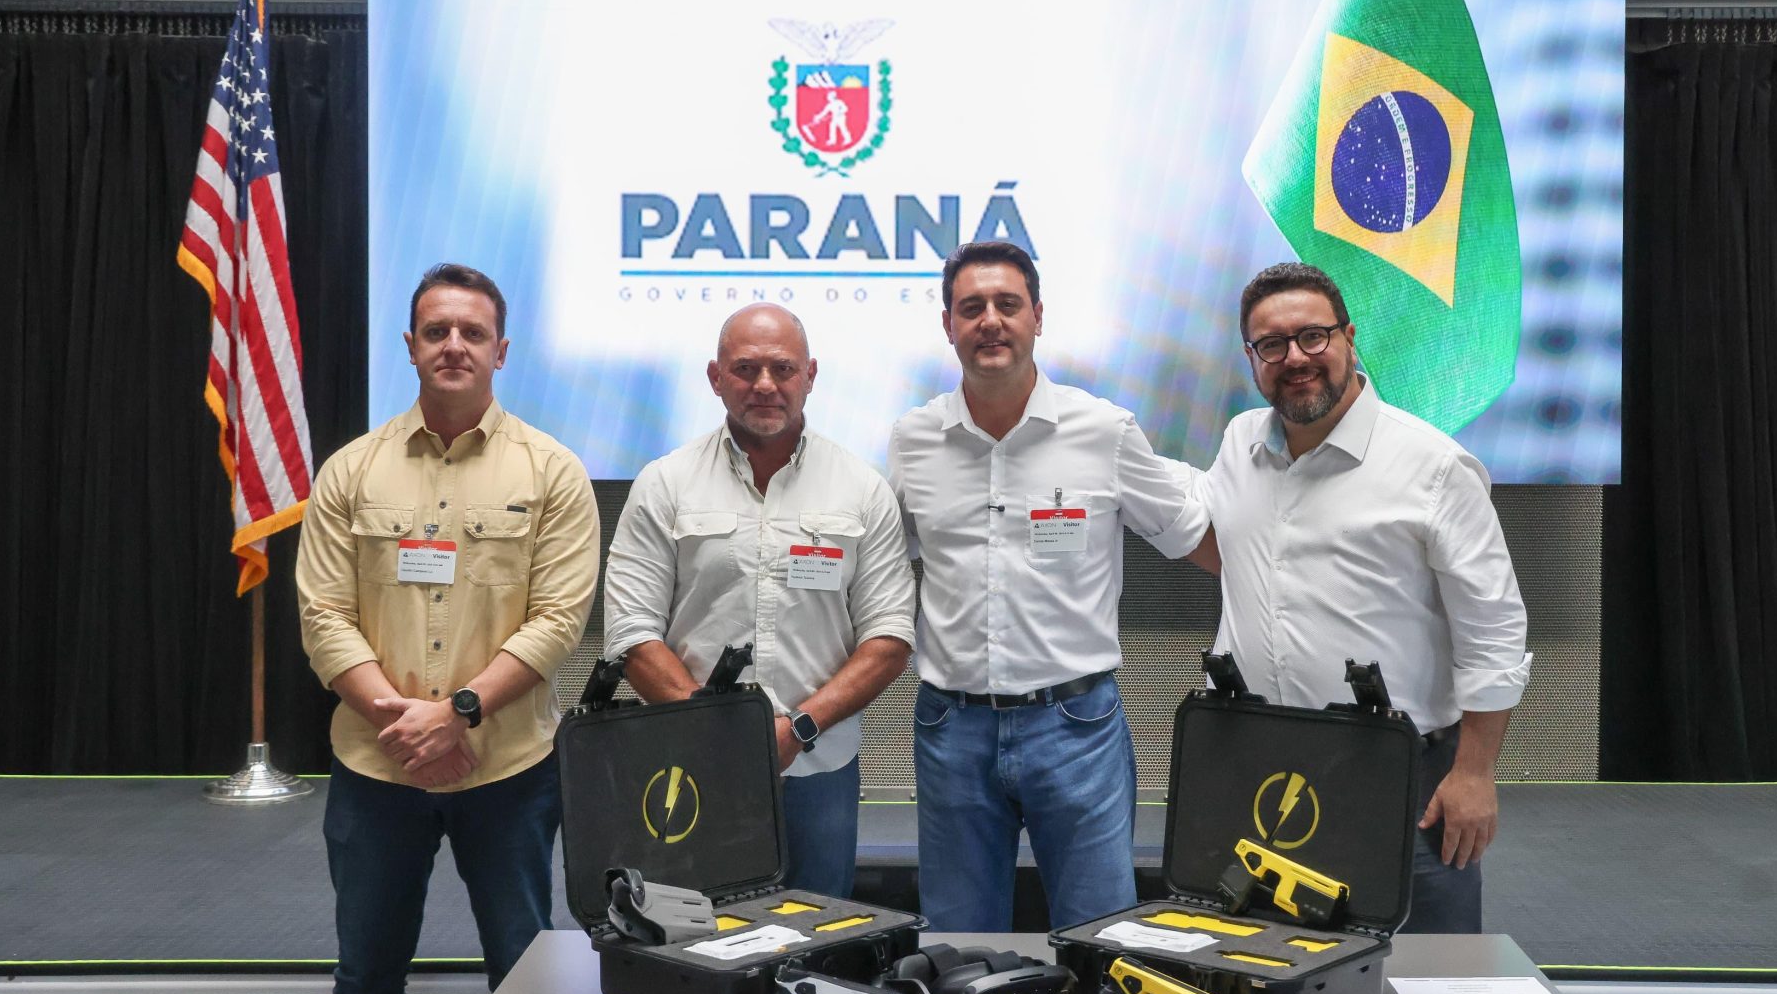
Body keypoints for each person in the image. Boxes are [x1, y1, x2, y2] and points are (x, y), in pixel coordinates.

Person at [296, 263, 600, 994]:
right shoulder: (351, 470)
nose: (454, 345)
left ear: (502, 350)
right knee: (366, 976)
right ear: (410, 345)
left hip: (508, 770)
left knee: (525, 975)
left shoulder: (553, 471)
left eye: (472, 332)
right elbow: (323, 617)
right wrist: (406, 726)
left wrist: (458, 712)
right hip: (378, 767)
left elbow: (558, 620)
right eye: (437, 331)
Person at [1187, 261, 1531, 933]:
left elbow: (1493, 629)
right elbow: (1219, 540)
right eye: (1272, 345)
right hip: (1264, 774)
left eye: (1312, 336)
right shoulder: (1238, 444)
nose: (1295, 358)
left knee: (1428, 977)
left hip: (1403, 781)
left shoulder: (1434, 467)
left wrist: (1474, 773)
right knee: (1276, 966)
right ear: (1251, 358)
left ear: (1348, 337)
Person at [888, 241, 1209, 931]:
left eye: (1008, 304)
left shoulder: (1105, 431)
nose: (990, 321)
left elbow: (1192, 537)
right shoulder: (913, 440)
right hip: (952, 729)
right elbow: (883, 565)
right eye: (971, 307)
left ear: (1038, 316)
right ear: (948, 324)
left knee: (1101, 936)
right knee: (958, 941)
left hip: (1076, 726)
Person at [604, 304, 914, 897]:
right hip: (694, 764)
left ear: (810, 375)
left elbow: (890, 638)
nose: (765, 385)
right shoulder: (665, 483)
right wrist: (719, 733)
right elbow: (632, 632)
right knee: (701, 934)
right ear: (715, 377)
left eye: (783, 368)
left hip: (821, 764)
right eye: (745, 369)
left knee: (820, 933)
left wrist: (798, 728)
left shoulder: (862, 489)